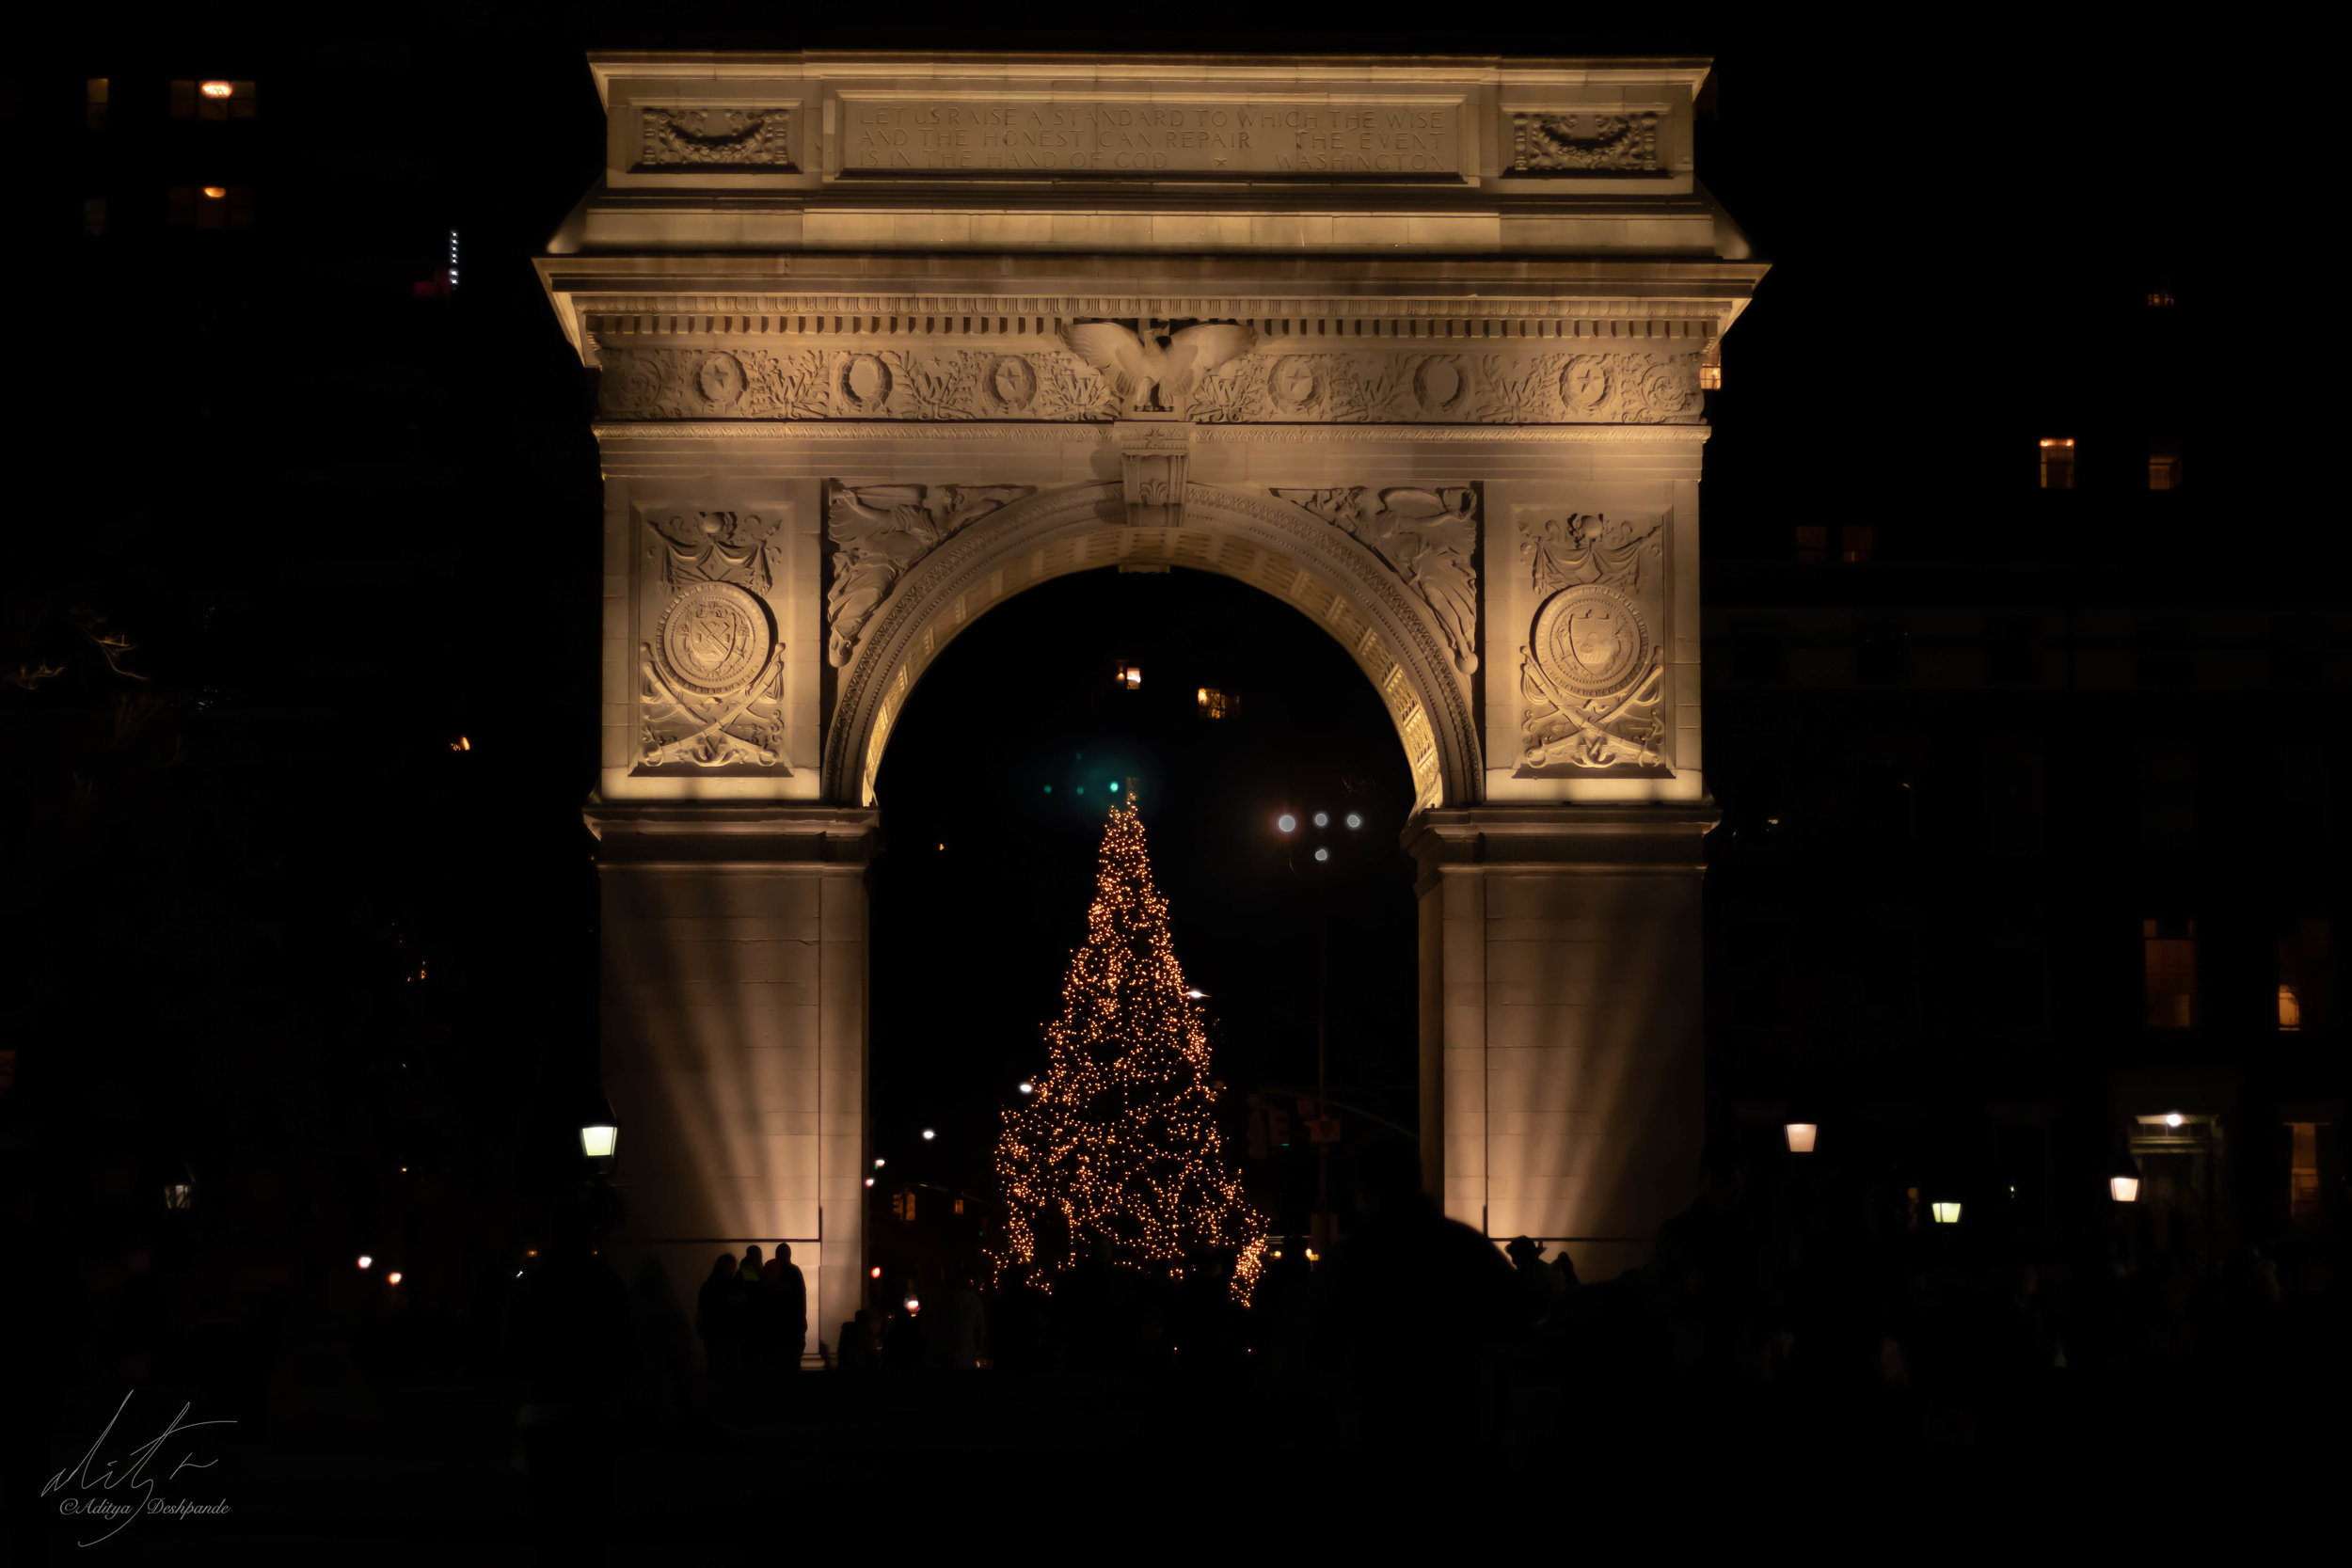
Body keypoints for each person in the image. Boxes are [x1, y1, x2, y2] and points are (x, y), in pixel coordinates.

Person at [696, 1252, 740, 1372]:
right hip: (724, 1335)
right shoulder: (732, 1285)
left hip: (716, 1335)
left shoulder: (709, 1286)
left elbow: (703, 1309)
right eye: (729, 1268)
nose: (731, 1271)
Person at [767, 1243, 808, 1369]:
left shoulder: (770, 1269)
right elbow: (801, 1299)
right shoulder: (794, 1271)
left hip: (777, 1325)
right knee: (793, 1361)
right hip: (793, 1323)